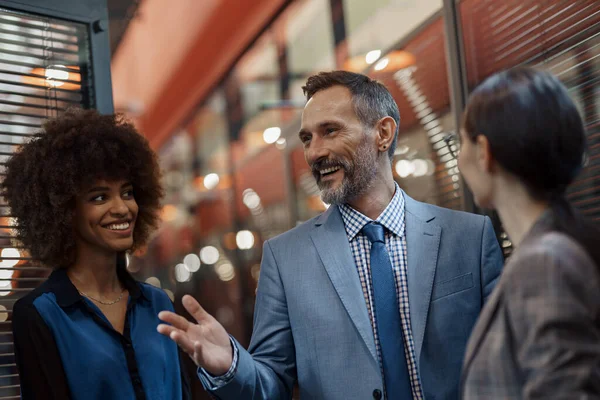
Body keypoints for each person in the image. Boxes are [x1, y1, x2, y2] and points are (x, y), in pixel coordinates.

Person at [158, 71, 504, 400]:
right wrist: (232, 366)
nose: (314, 152)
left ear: (383, 133)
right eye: (307, 138)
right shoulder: (285, 258)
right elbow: (271, 383)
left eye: (330, 131)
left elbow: (506, 363)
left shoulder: (468, 237)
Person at [4, 109, 190, 400]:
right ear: (64, 211)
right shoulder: (39, 315)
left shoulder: (159, 303)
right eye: (100, 197)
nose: (122, 208)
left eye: (127, 192)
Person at [458, 67, 600, 398]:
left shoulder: (543, 262)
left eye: (460, 141)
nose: (459, 157)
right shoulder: (563, 244)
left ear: (484, 152)